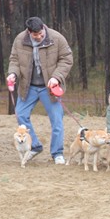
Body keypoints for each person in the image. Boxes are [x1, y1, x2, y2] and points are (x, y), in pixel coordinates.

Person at [6, 16, 74, 165]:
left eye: (41, 33)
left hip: (49, 88)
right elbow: (14, 60)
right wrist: (12, 73)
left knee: (57, 120)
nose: (39, 37)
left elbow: (67, 59)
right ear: (29, 32)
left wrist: (56, 77)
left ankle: (57, 153)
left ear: (43, 27)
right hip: (28, 86)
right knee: (21, 115)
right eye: (35, 35)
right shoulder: (19, 40)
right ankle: (35, 146)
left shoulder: (57, 38)